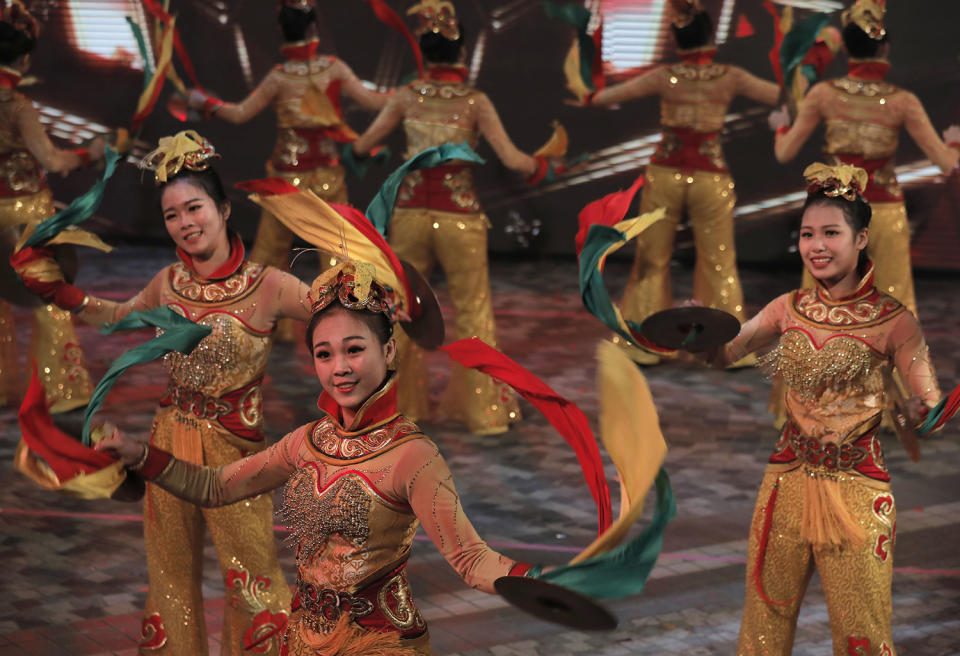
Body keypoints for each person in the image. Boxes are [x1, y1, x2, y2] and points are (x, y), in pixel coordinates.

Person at [94, 259, 535, 655]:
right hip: (302, 640)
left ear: (388, 351)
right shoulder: (306, 443)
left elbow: (472, 560)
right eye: (324, 354)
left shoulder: (414, 456)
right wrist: (139, 455)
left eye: (354, 349)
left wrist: (549, 583)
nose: (339, 367)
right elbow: (215, 487)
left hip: (378, 645)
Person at [12, 131, 312, 655]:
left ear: (222, 209)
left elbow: (333, 314)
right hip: (167, 438)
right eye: (172, 215)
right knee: (169, 575)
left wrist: (376, 298)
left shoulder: (269, 285)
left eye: (194, 208)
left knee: (253, 577)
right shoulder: (168, 281)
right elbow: (119, 317)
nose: (185, 223)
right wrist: (66, 294)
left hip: (235, 452)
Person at [705, 163, 940, 654]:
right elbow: (728, 350)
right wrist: (692, 332)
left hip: (856, 492)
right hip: (786, 480)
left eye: (831, 232)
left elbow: (929, 401)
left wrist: (921, 411)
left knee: (862, 631)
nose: (816, 245)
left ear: (861, 239)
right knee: (764, 618)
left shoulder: (894, 321)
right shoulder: (786, 308)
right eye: (807, 233)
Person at [349, 0, 557, 435]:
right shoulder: (475, 102)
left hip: (409, 216)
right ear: (461, 53)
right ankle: (487, 415)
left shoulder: (407, 97)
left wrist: (362, 152)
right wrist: (544, 166)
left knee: (401, 311)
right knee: (474, 311)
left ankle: (397, 408)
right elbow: (513, 159)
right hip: (460, 218)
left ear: (424, 52)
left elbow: (363, 142)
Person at [585, 0, 780, 366]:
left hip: (665, 175)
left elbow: (607, 97)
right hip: (710, 176)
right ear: (710, 36)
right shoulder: (730, 76)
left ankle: (641, 342)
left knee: (651, 259)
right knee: (719, 261)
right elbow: (778, 96)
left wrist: (590, 87)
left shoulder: (665, 76)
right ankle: (729, 347)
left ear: (676, 39)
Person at [186, 0, 391, 340]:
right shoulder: (334, 68)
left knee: (270, 251)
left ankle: (256, 323)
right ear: (313, 28)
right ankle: (342, 325)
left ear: (282, 31)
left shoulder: (279, 77)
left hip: (286, 179)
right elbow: (374, 101)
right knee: (337, 251)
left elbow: (239, 114)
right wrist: (411, 94)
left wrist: (204, 102)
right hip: (326, 175)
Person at [769, 0, 960, 317]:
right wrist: (953, 143)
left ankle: (820, 366)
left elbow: (785, 152)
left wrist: (781, 127)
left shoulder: (823, 94)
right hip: (883, 212)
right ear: (884, 50)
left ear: (845, 50)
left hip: (833, 215)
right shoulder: (903, 101)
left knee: (822, 308)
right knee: (891, 311)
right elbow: (944, 163)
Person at [0, 0, 106, 411]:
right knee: (50, 301)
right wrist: (90, 153)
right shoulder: (18, 107)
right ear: (24, 57)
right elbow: (52, 161)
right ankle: (62, 391)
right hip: (28, 216)